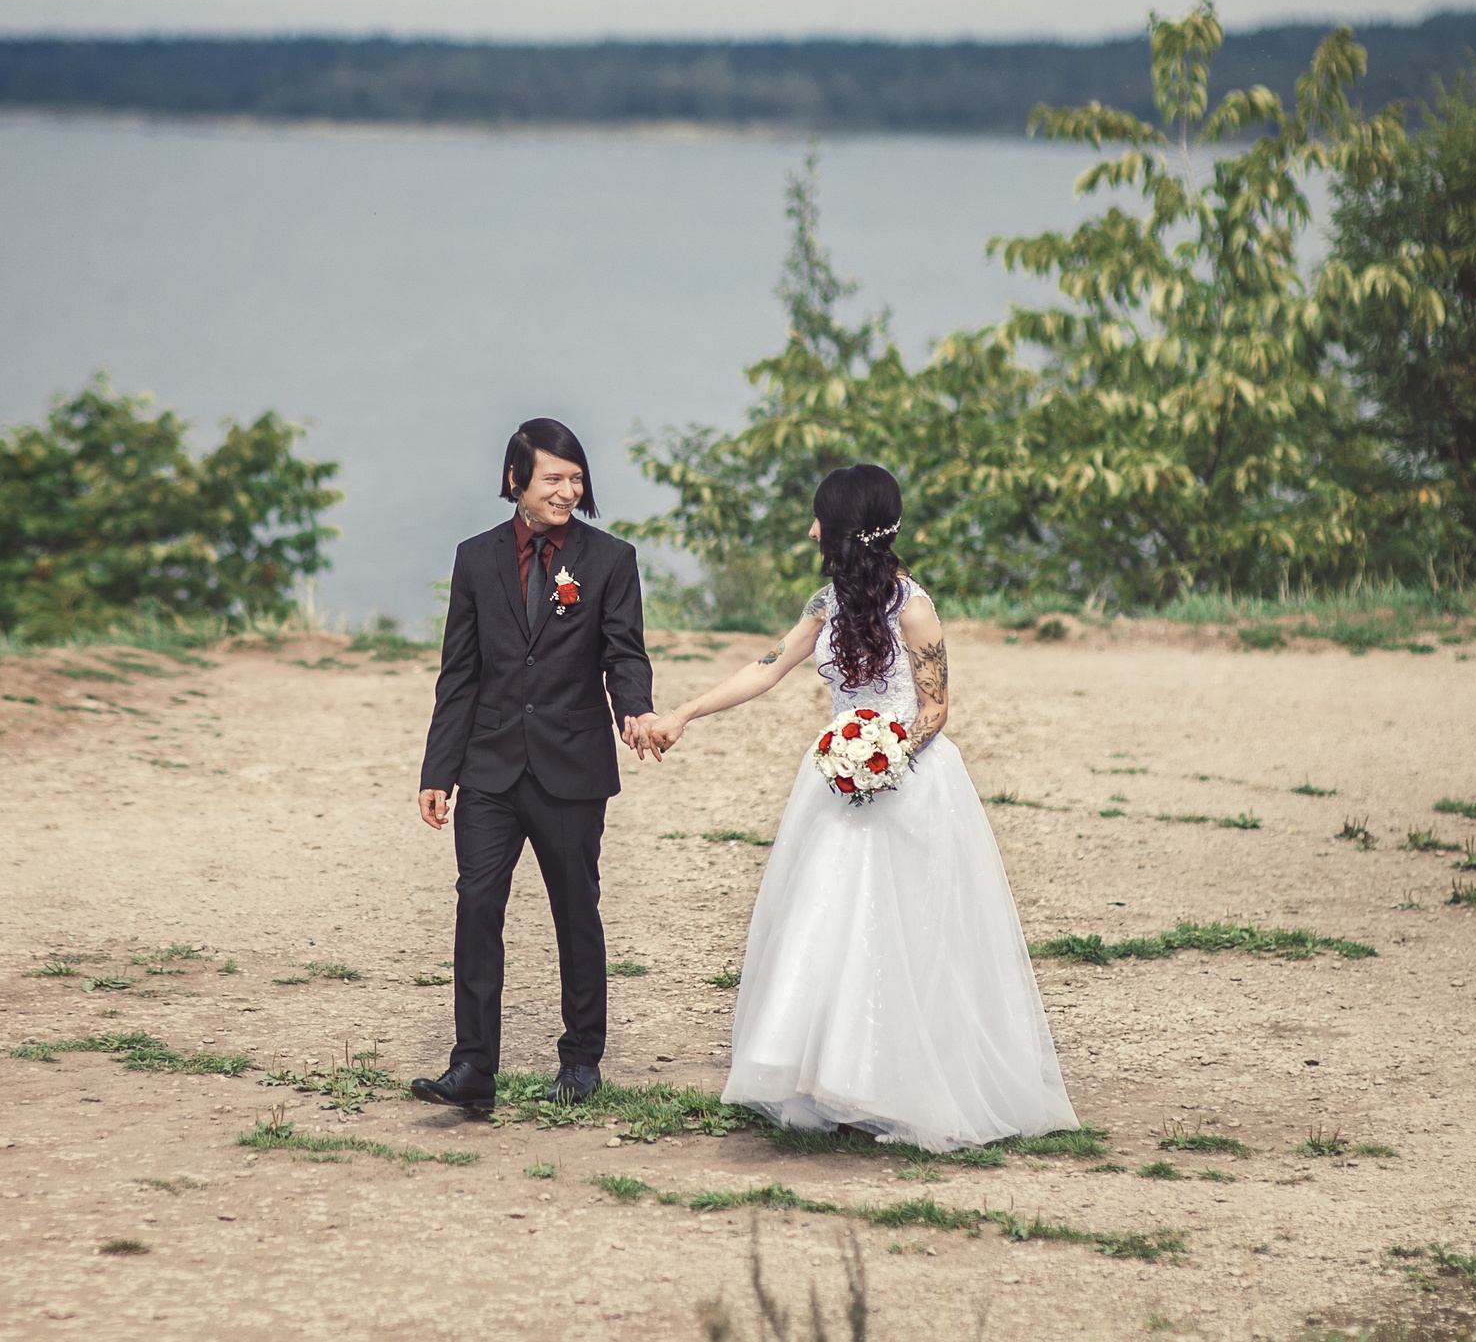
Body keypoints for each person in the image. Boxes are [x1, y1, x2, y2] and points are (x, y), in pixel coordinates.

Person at [645, 463, 1078, 1152]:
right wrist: (686, 713)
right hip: (837, 785)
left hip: (910, 783)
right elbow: (766, 666)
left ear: (845, 528)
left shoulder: (915, 607)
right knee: (828, 918)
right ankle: (834, 1078)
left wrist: (884, 749)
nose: (811, 529)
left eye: (820, 518)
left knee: (911, 930)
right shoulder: (826, 604)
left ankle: (905, 1084)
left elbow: (936, 707)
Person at [411, 418, 658, 1114]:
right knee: (477, 905)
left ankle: (581, 1059)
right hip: (488, 768)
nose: (568, 490)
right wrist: (439, 770)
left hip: (572, 765)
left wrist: (633, 712)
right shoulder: (474, 558)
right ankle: (472, 1071)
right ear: (516, 481)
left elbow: (624, 654)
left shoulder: (609, 559)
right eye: (554, 477)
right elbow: (458, 673)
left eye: (576, 478)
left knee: (576, 912)